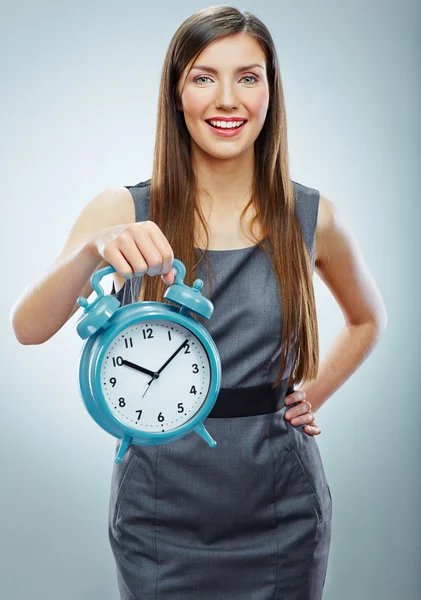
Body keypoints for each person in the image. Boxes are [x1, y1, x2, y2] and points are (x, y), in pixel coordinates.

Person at [10, 5, 388, 599]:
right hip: (159, 508)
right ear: (177, 93)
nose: (227, 99)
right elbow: (27, 329)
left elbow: (368, 319)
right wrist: (90, 252)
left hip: (282, 509)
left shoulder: (312, 217)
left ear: (270, 92)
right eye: (204, 77)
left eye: (248, 76)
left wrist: (310, 393)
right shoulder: (122, 210)